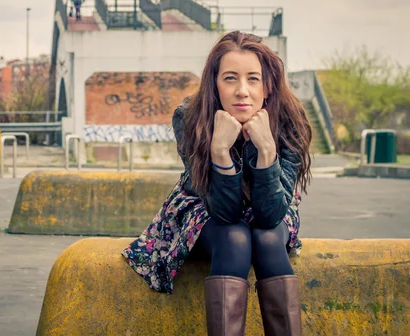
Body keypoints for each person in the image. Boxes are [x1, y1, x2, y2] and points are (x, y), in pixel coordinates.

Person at [121, 31, 312, 336]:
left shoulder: (289, 119)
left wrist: (266, 151)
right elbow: (223, 213)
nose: (242, 91)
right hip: (205, 210)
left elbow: (271, 215)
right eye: (230, 78)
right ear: (214, 83)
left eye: (253, 79)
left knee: (266, 238)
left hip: (273, 206)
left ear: (269, 85)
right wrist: (220, 151)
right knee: (235, 237)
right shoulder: (190, 117)